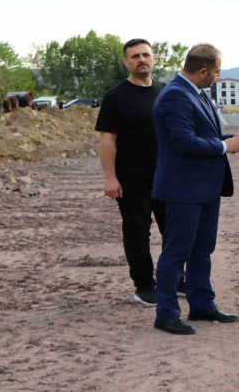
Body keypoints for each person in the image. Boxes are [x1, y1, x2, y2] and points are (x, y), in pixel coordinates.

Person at [151, 43, 239, 335]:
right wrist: (224, 146)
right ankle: (166, 313)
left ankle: (201, 304)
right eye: (217, 72)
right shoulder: (175, 95)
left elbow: (204, 134)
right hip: (183, 189)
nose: (218, 77)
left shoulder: (196, 93)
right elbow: (183, 142)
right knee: (176, 253)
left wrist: (231, 139)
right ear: (203, 71)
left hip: (205, 189)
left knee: (202, 250)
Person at [95, 38, 169, 306]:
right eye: (135, 56)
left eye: (146, 55)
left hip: (166, 175)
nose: (142, 60)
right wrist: (110, 178)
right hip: (132, 177)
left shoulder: (165, 92)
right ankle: (144, 286)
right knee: (138, 232)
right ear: (126, 62)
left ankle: (175, 279)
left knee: (174, 229)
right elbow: (107, 140)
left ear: (154, 58)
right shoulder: (116, 97)